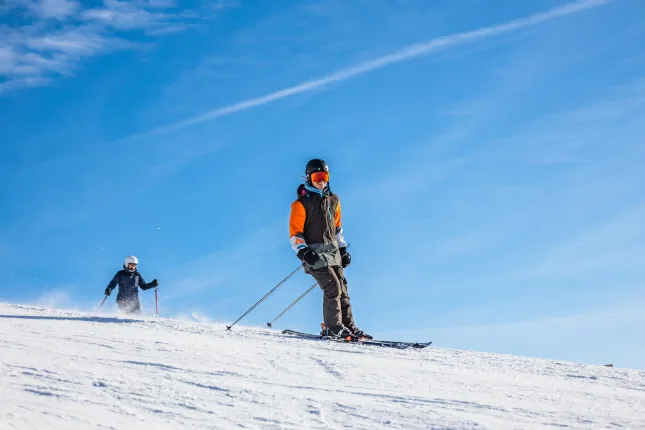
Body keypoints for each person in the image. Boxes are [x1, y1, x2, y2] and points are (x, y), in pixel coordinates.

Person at [289, 159, 371, 339]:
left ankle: (348, 326)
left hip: (332, 251)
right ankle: (333, 328)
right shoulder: (301, 204)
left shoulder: (334, 200)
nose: (321, 180)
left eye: (324, 176)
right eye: (317, 176)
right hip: (313, 253)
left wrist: (342, 249)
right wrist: (303, 251)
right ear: (309, 178)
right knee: (332, 286)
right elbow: (296, 233)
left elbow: (337, 228)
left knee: (342, 287)